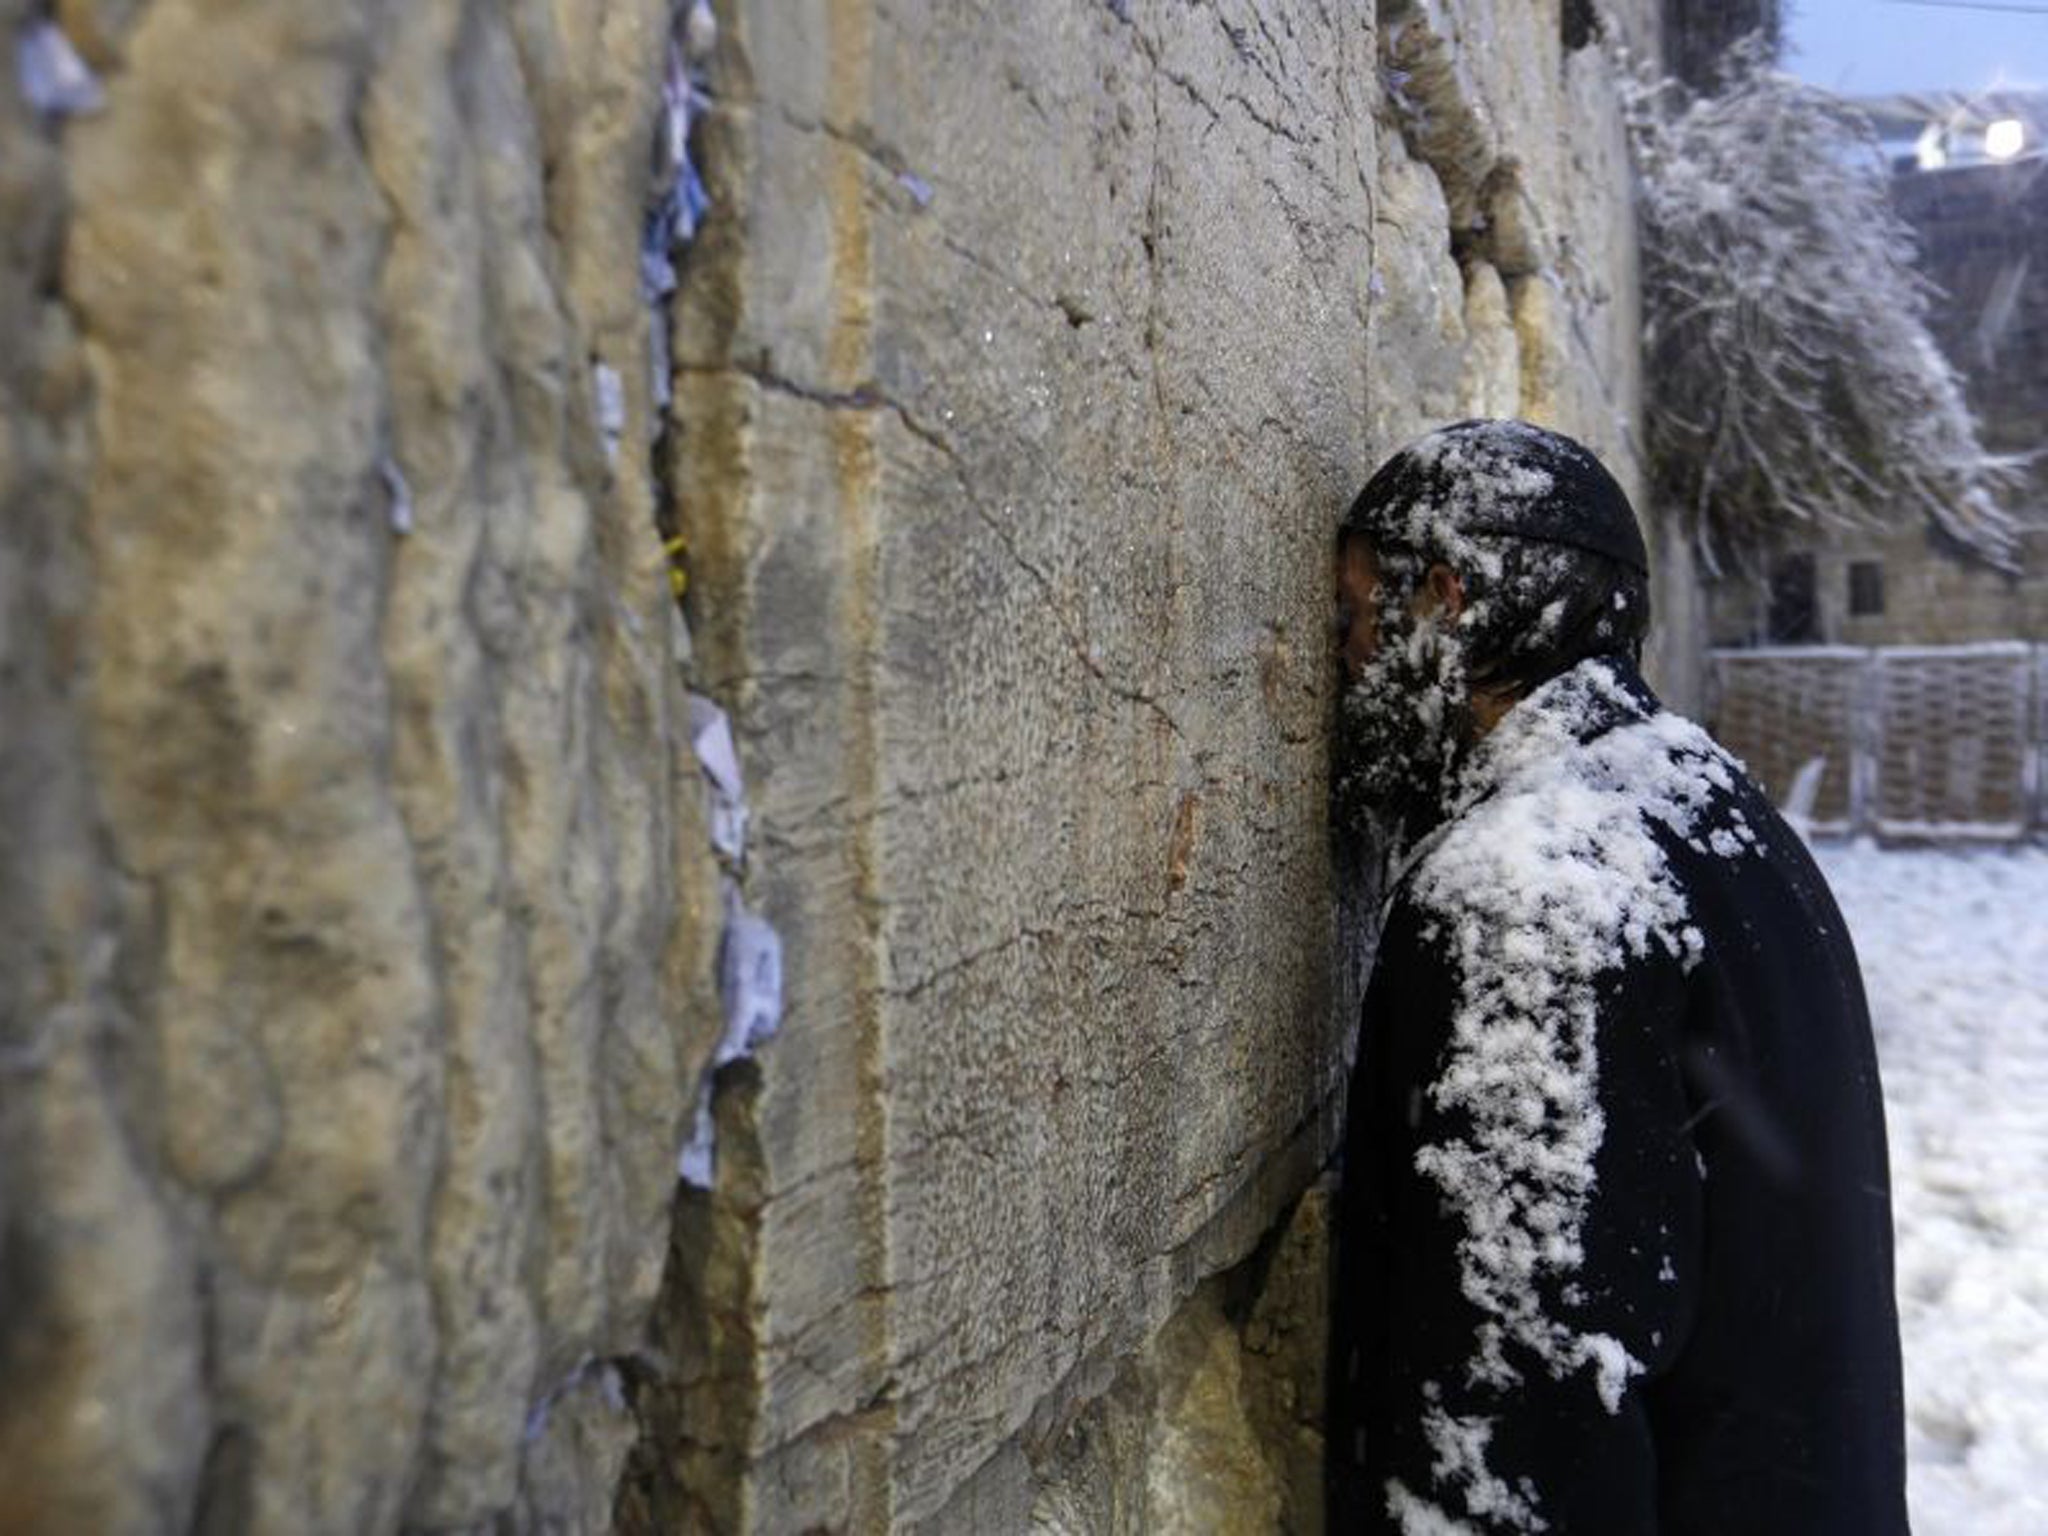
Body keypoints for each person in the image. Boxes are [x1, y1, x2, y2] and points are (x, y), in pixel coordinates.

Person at [1324, 420, 1908, 1534]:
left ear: (1443, 601)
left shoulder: (1527, 888)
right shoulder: (1709, 811)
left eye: (1356, 620)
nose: (1347, 666)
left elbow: (1514, 1418)